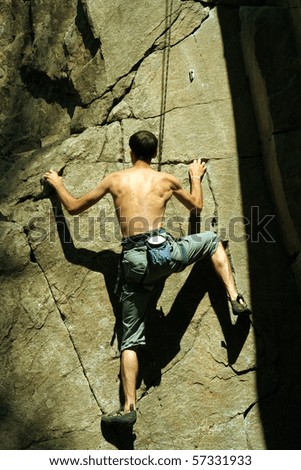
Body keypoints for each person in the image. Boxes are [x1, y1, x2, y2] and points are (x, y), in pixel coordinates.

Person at [44, 130, 250, 426]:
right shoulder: (166, 180)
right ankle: (234, 297)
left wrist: (58, 185)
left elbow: (74, 207)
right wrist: (194, 177)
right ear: (154, 154)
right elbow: (196, 206)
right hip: (165, 254)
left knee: (129, 339)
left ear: (130, 151)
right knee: (212, 241)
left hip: (135, 263)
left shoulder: (114, 180)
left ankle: (129, 408)